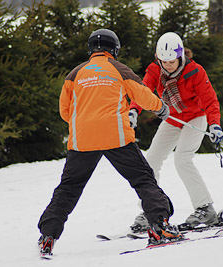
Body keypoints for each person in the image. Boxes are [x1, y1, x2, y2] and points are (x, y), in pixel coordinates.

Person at [37, 29, 183, 256]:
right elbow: (142, 93)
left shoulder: (74, 74)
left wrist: (85, 123)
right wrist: (161, 108)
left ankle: (47, 236)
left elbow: (65, 111)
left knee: (68, 189)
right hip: (116, 136)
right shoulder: (119, 69)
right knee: (143, 179)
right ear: (114, 49)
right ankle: (160, 227)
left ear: (90, 50)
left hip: (82, 139)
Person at [129, 32, 223, 232]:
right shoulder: (155, 69)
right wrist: (133, 111)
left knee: (182, 159)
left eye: (172, 61)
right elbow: (142, 91)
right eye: (164, 61)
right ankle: (150, 211)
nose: (168, 65)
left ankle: (205, 208)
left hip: (196, 118)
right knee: (151, 160)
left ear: (180, 56)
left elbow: (210, 101)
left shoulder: (194, 71)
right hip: (172, 118)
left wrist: (214, 124)